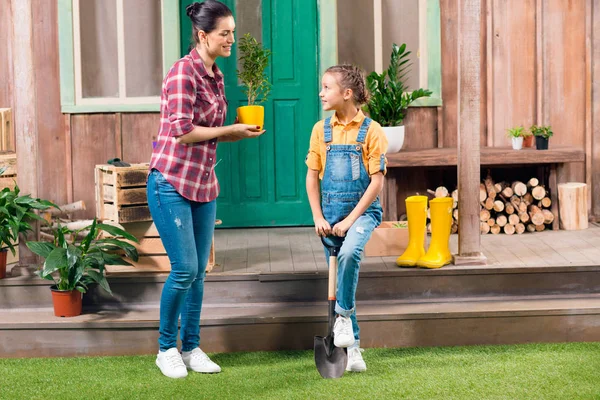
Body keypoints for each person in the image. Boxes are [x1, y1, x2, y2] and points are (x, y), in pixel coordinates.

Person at [147, 0, 264, 379]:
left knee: (200, 273)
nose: (232, 39)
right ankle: (167, 349)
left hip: (203, 183)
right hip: (170, 182)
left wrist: (236, 132)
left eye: (232, 31)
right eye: (224, 33)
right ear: (202, 35)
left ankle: (192, 346)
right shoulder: (184, 73)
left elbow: (208, 133)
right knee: (185, 269)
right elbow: (183, 132)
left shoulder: (215, 74)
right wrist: (228, 131)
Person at [305, 65, 388, 373]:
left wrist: (351, 220)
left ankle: (342, 317)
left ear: (347, 94)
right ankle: (352, 349)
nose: (321, 93)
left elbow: (376, 182)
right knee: (343, 275)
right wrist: (317, 216)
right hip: (330, 216)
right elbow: (312, 177)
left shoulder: (371, 130)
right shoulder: (320, 130)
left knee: (351, 253)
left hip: (362, 212)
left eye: (327, 87)